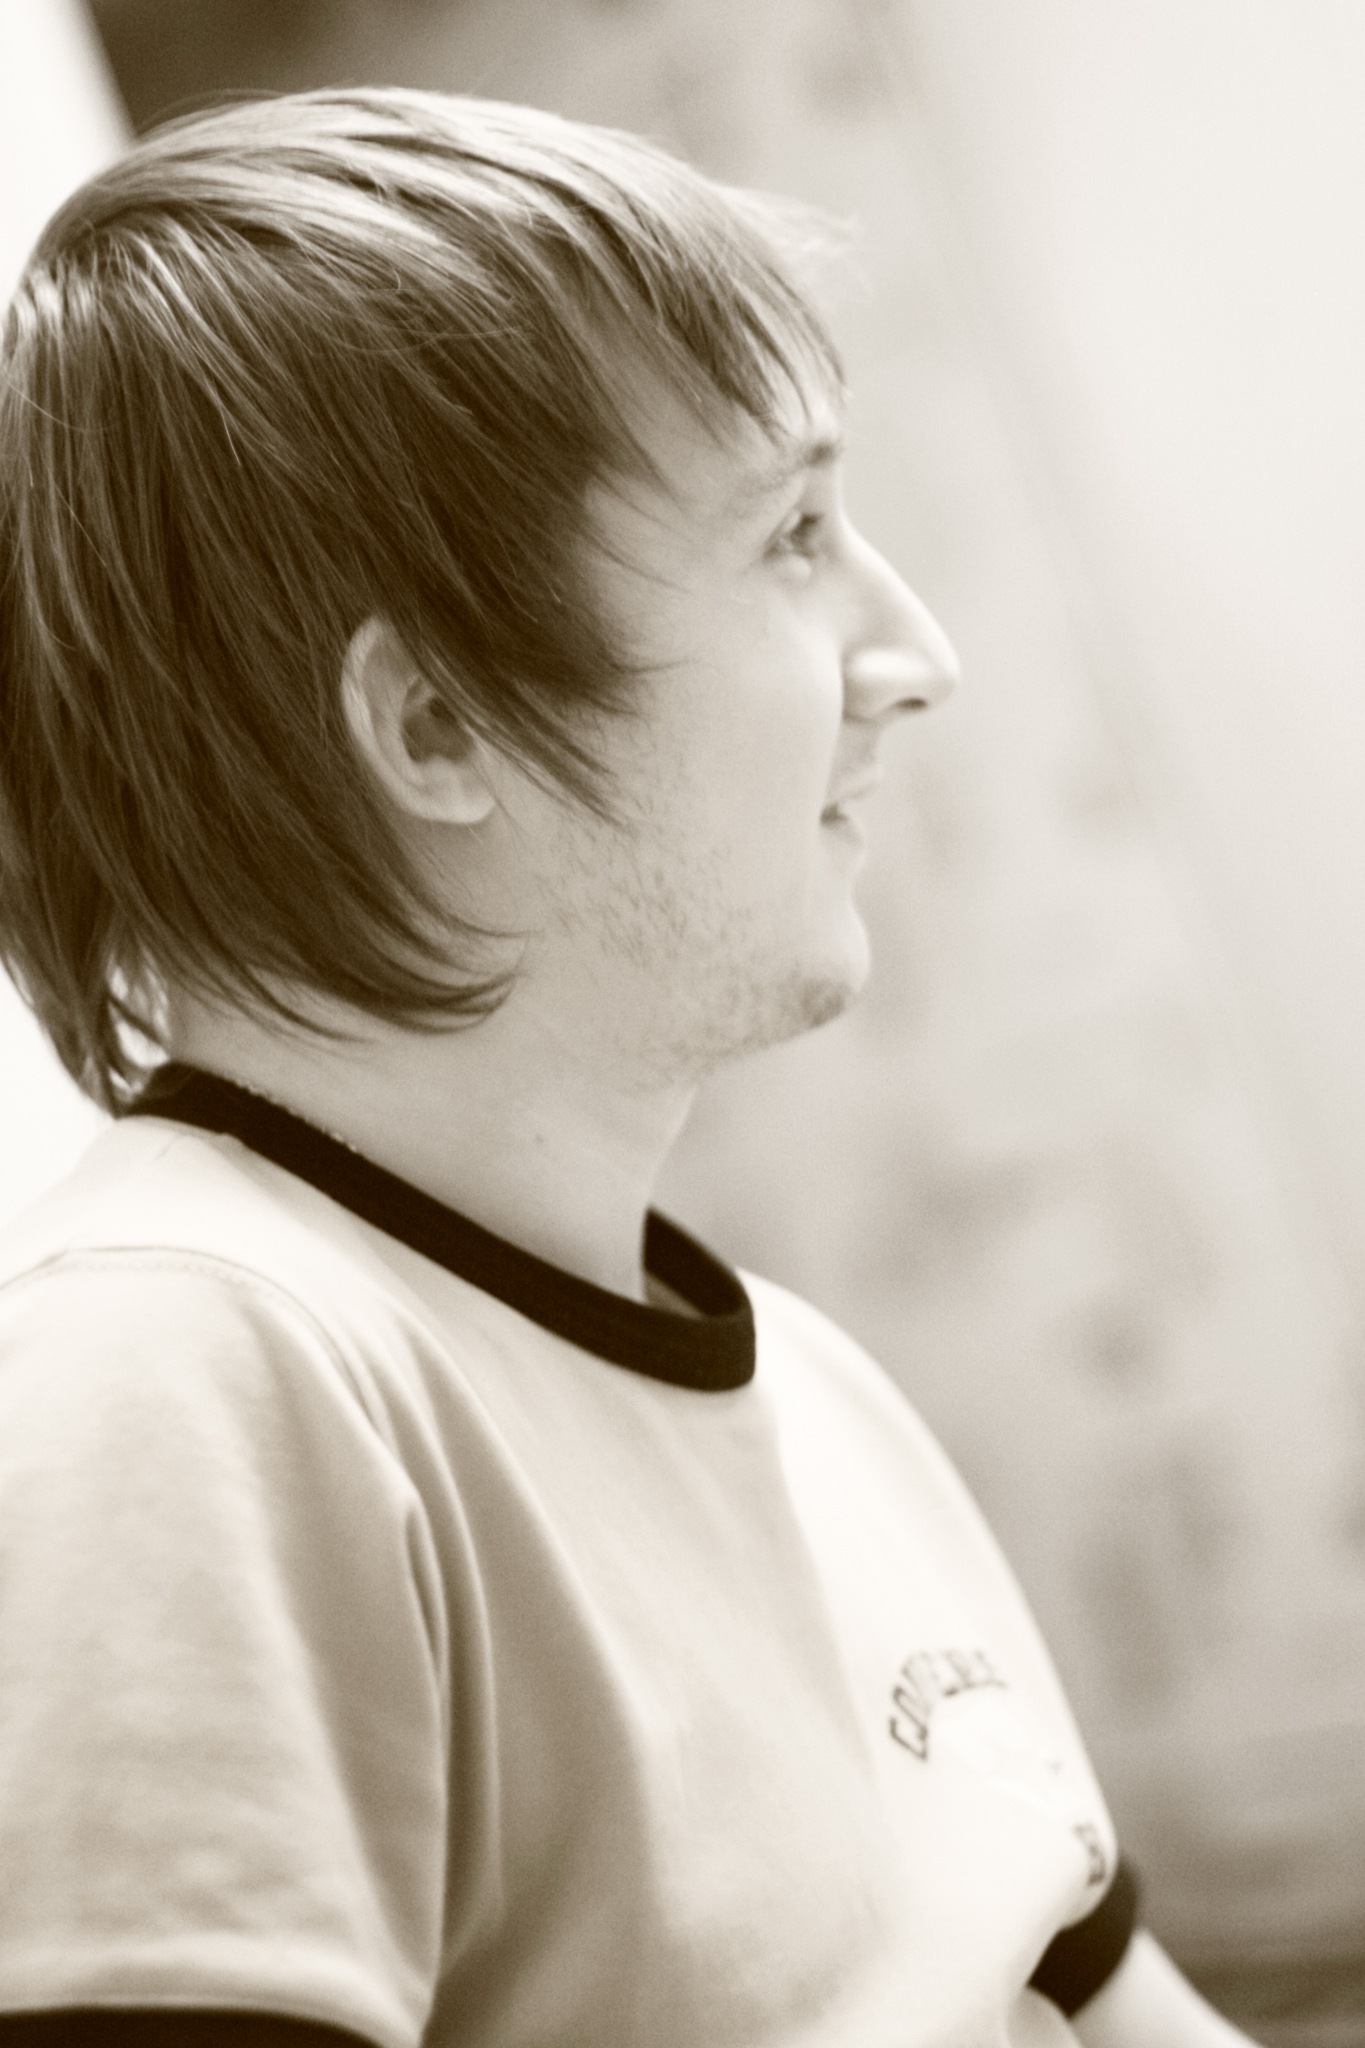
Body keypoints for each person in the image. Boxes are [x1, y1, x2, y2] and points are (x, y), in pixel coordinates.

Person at [0, 87, 1255, 2048]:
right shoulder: (180, 1380)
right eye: (792, 535)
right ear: (435, 722)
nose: (911, 652)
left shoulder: (814, 1394)